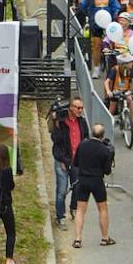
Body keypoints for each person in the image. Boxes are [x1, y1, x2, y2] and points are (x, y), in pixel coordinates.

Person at [71, 123, 115, 247]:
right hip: (97, 181)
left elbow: (76, 162)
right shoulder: (104, 150)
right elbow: (107, 171)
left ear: (91, 133)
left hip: (83, 180)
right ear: (102, 135)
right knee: (102, 209)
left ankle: (78, 239)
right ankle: (104, 238)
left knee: (80, 210)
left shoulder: (82, 145)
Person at [49, 97, 88, 228]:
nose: (80, 110)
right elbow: (56, 141)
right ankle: (60, 217)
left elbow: (86, 138)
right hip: (63, 161)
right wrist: (56, 123)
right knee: (61, 190)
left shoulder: (82, 122)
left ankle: (73, 207)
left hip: (78, 161)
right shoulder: (62, 122)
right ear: (70, 108)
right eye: (77, 107)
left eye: (81, 108)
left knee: (77, 187)